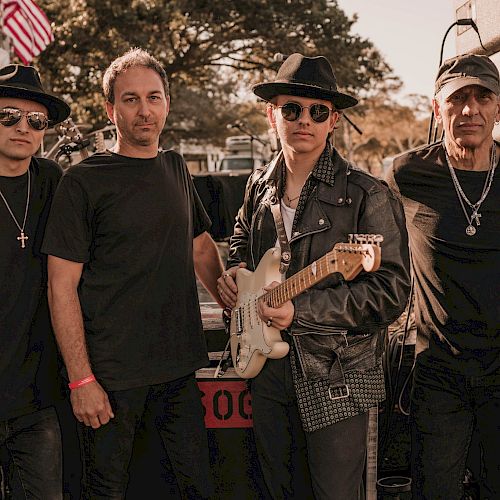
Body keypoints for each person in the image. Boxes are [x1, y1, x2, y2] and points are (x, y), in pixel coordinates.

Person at [217, 53, 411, 499]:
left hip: (337, 374)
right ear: (272, 115)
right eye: (292, 109)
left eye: (317, 111)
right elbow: (243, 234)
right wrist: (234, 270)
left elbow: (391, 291)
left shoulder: (366, 194)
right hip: (266, 366)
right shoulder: (258, 185)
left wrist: (299, 311)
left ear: (333, 120)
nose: (304, 119)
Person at [42, 48, 224, 499]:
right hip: (112, 380)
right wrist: (82, 380)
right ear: (110, 109)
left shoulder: (176, 167)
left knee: (194, 486)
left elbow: (201, 247)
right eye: (130, 99)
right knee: (108, 492)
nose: (145, 110)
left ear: (167, 102)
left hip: (179, 369)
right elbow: (60, 287)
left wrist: (237, 307)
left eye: (154, 97)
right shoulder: (83, 181)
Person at [386, 54, 500, 499]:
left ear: (497, 107)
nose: (470, 109)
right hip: (438, 370)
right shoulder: (406, 174)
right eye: (458, 99)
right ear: (438, 109)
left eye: (482, 97)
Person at [0, 64, 70, 498]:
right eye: (7, 116)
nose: (22, 127)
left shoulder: (52, 182)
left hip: (34, 402)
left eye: (35, 120)